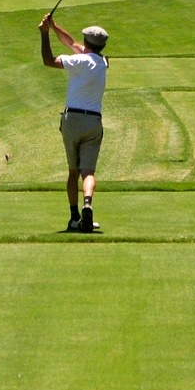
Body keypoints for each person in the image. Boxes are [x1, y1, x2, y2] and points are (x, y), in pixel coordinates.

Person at [39, 13, 109, 232]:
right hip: (93, 122)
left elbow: (48, 60)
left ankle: (74, 217)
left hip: (72, 120)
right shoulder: (104, 62)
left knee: (72, 171)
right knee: (88, 172)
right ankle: (88, 204)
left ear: (87, 42)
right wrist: (54, 26)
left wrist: (44, 35)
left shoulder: (77, 61)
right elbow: (71, 43)